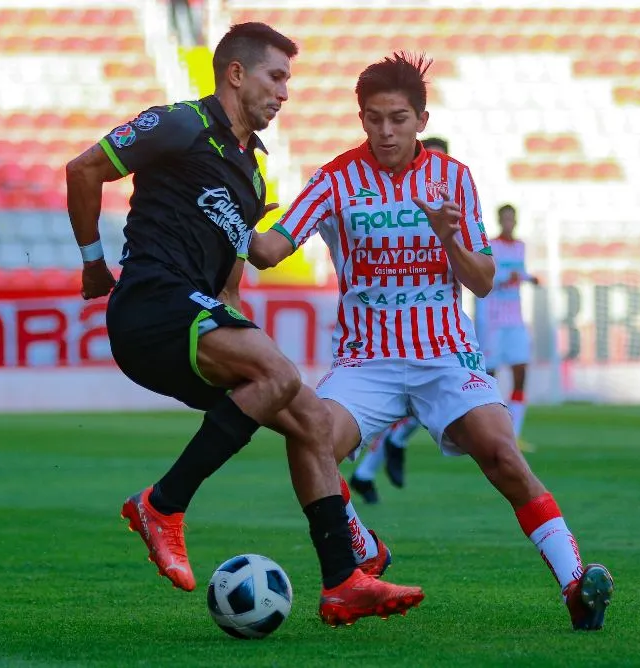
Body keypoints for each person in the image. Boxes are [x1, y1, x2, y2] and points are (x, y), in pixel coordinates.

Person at [64, 22, 423, 627]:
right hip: (151, 303)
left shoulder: (254, 176)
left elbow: (228, 287)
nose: (285, 92)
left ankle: (342, 581)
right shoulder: (180, 123)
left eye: (289, 80)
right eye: (276, 77)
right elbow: (83, 169)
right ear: (236, 73)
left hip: (194, 315)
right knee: (279, 372)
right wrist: (93, 264)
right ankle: (162, 505)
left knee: (309, 416)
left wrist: (246, 342)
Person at [250, 52, 614, 631]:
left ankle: (575, 582)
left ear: (421, 118)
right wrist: (242, 212)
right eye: (373, 119)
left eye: (397, 118)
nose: (385, 131)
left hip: (445, 355)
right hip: (366, 360)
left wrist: (450, 241)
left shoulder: (453, 178)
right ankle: (359, 547)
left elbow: (483, 279)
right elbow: (269, 252)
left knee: (502, 453)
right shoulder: (335, 178)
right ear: (361, 118)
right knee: (309, 440)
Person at [347, 136, 449, 504]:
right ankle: (369, 464)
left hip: (442, 327)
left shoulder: (454, 203)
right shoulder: (392, 206)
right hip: (385, 329)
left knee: (443, 398)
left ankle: (367, 468)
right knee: (407, 402)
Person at [474, 204, 540, 452]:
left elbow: (519, 272)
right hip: (493, 320)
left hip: (515, 320)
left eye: (512, 218)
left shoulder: (521, 246)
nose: (509, 223)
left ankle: (514, 434)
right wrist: (508, 278)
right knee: (489, 378)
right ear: (500, 220)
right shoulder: (491, 246)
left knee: (521, 372)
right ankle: (488, 431)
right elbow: (488, 276)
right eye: (505, 219)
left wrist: (528, 278)